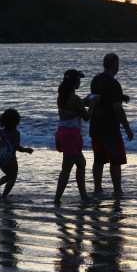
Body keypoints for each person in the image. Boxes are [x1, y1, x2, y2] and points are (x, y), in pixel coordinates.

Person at [89, 52, 133, 194]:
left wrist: (120, 96)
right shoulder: (114, 83)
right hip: (110, 127)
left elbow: (99, 97)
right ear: (116, 65)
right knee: (115, 159)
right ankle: (117, 190)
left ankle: (97, 189)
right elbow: (117, 108)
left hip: (96, 124)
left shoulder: (96, 80)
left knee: (99, 158)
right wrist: (127, 128)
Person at [54, 69, 94, 205]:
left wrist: (82, 103)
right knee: (66, 169)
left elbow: (71, 110)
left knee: (81, 164)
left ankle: (84, 196)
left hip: (62, 133)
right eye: (79, 80)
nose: (80, 82)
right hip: (71, 136)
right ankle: (57, 199)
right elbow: (87, 117)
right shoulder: (74, 98)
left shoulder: (61, 97)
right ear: (74, 81)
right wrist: (93, 104)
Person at [0, 108, 33, 198]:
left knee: (9, 175)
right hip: (10, 157)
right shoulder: (15, 133)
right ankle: (4, 196)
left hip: (1, 156)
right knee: (13, 178)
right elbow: (17, 147)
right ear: (16, 121)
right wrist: (26, 150)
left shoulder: (3, 132)